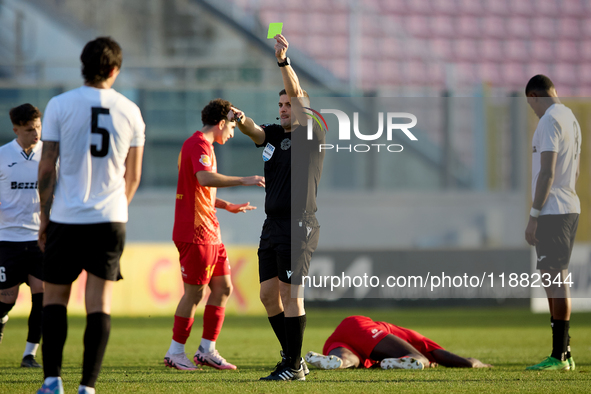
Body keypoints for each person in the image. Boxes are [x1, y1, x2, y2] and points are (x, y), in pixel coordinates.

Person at [36, 37, 145, 394]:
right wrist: (119, 209)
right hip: (110, 219)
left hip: (67, 217)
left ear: (83, 65)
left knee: (54, 299)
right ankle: (88, 387)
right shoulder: (130, 110)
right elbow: (133, 176)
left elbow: (47, 168)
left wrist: (44, 218)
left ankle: (52, 381)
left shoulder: (59, 105)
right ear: (115, 69)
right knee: (99, 303)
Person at [235, 34, 325, 381]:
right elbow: (253, 132)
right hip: (272, 225)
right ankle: (291, 357)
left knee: (290, 295)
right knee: (268, 295)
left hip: (298, 224)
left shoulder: (310, 134)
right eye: (281, 105)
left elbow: (300, 95)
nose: (284, 109)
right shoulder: (274, 134)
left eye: (289, 104)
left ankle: (294, 366)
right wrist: (240, 118)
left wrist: (283, 62)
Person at [164, 98, 264, 371]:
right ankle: (175, 352)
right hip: (195, 232)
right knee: (194, 294)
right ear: (221, 124)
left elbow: (198, 188)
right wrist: (246, 179)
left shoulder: (201, 146)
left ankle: (207, 350)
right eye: (232, 126)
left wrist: (225, 205)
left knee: (223, 288)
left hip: (210, 231)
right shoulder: (197, 144)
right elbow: (205, 179)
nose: (233, 132)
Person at [524, 74, 580, 371]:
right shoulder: (570, 117)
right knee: (554, 278)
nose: (532, 110)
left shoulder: (548, 120)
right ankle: (564, 352)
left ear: (533, 96)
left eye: (530, 104)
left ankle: (559, 355)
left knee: (555, 280)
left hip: (553, 210)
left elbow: (547, 172)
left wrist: (534, 216)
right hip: (568, 205)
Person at [0, 103, 44, 368]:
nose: (36, 134)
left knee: (42, 294)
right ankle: (2, 318)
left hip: (39, 238)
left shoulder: (50, 155)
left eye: (38, 127)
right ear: (16, 129)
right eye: (29, 130)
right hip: (7, 239)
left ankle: (30, 354)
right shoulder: (2, 155)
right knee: (7, 298)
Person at [305, 315, 492, 370]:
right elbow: (456, 360)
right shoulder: (421, 341)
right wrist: (479, 364)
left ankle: (335, 361)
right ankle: (403, 362)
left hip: (341, 339)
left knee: (350, 361)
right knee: (420, 359)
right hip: (361, 326)